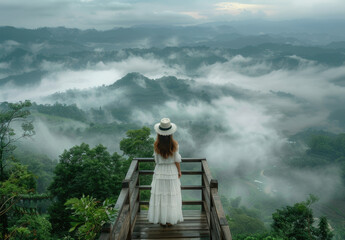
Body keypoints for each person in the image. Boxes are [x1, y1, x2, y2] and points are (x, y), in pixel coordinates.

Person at [147, 118, 184, 227]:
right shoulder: (174, 145)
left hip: (160, 171)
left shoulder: (156, 145)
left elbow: (156, 161)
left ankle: (161, 219)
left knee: (161, 195)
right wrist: (179, 171)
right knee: (171, 195)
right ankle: (169, 219)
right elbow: (177, 160)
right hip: (172, 171)